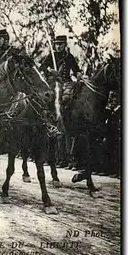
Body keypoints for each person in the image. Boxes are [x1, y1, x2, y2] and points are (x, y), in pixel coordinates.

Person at [39, 35, 82, 168]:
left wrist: (79, 74)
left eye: (60, 44)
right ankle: (49, 116)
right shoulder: (50, 56)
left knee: (68, 97)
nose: (58, 46)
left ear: (65, 45)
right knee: (47, 97)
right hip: (53, 81)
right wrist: (50, 71)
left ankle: (67, 115)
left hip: (67, 83)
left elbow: (76, 70)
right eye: (56, 44)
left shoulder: (69, 57)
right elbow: (42, 67)